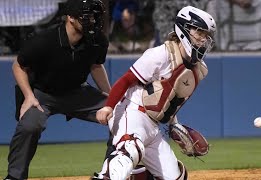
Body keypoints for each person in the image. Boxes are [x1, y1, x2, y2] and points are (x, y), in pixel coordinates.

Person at [92, 5, 216, 180]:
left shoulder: (199, 70)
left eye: (206, 35)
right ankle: (106, 176)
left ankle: (134, 176)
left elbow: (170, 99)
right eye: (199, 32)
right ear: (184, 30)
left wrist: (175, 126)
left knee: (176, 177)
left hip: (154, 126)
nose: (203, 39)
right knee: (130, 149)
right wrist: (108, 107)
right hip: (132, 112)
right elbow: (126, 79)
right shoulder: (161, 54)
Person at [3, 0, 111, 179]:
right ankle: (14, 176)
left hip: (78, 92)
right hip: (43, 94)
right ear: (70, 17)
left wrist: (112, 97)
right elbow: (18, 66)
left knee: (122, 113)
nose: (91, 20)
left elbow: (96, 66)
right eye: (86, 16)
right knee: (30, 125)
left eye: (93, 16)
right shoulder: (44, 40)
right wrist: (29, 96)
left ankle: (111, 172)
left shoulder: (97, 39)